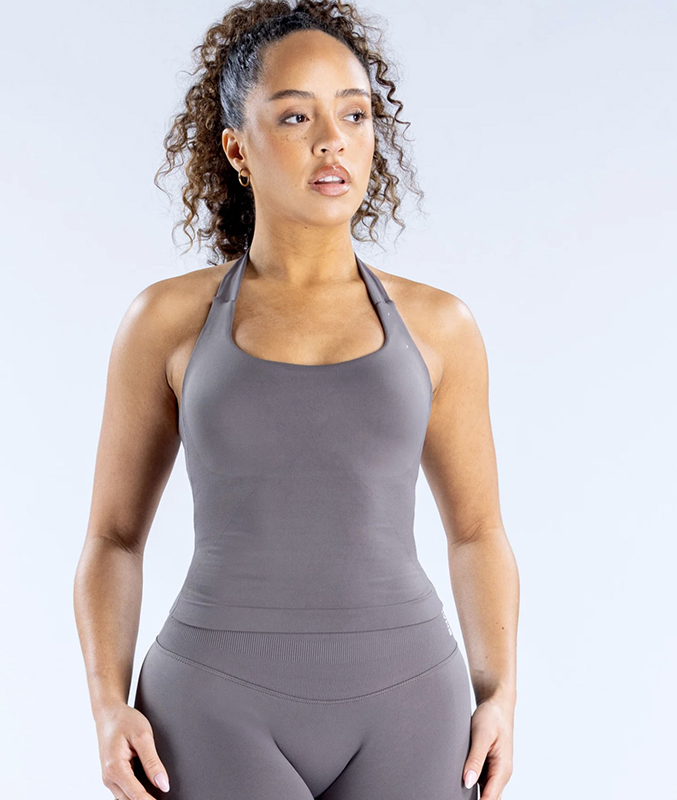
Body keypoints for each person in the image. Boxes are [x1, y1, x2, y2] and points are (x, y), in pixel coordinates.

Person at [74, 2, 519, 799]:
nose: (332, 140)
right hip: (210, 707)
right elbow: (113, 538)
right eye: (295, 115)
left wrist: (501, 697)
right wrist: (108, 708)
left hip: (412, 706)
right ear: (237, 149)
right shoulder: (165, 321)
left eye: (355, 114)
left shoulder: (440, 326)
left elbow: (478, 532)